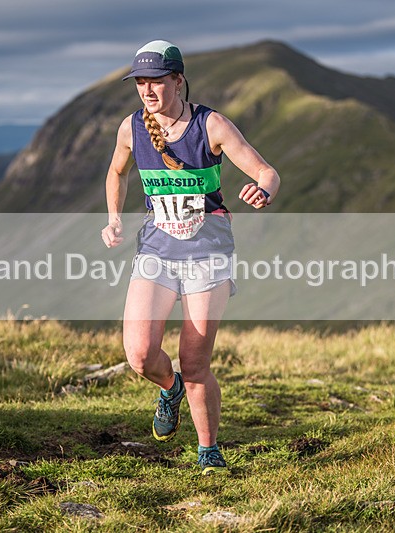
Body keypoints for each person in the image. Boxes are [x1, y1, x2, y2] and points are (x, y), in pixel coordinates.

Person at [101, 40, 280, 475]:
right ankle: (169, 387)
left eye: (156, 81)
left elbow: (266, 171)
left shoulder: (211, 125)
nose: (147, 90)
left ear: (178, 80)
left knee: (197, 360)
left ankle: (209, 450)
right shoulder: (132, 128)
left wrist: (263, 190)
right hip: (157, 248)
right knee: (140, 354)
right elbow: (117, 171)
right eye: (140, 82)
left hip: (208, 250)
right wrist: (113, 218)